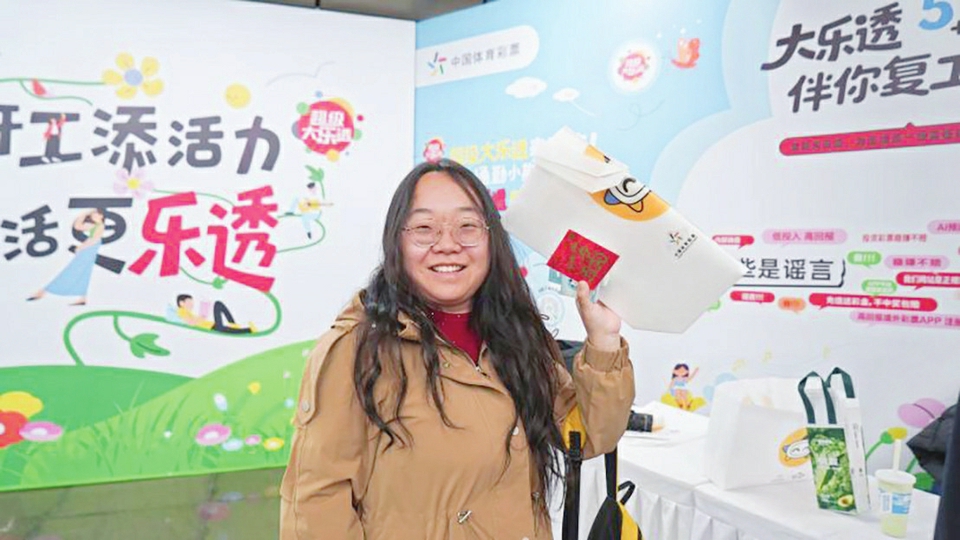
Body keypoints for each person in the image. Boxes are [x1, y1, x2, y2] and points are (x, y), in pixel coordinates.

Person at [279, 159, 635, 539]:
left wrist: (604, 340)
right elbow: (316, 503)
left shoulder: (518, 336)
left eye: (467, 227)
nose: (447, 245)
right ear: (396, 242)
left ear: (491, 239)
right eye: (424, 229)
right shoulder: (357, 351)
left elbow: (590, 436)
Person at [27, 208, 105, 306]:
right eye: (92, 214)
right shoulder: (94, 225)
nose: (92, 216)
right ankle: (82, 297)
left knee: (73, 270)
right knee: (82, 271)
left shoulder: (100, 226)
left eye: (95, 214)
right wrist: (84, 214)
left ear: (101, 215)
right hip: (89, 247)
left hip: (90, 248)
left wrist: (81, 247)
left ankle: (44, 291)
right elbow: (77, 226)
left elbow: (94, 240)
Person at [175, 294, 256, 334]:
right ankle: (248, 329)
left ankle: (244, 328)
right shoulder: (181, 311)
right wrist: (203, 315)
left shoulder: (186, 312)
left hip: (213, 326)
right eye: (189, 302)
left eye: (192, 302)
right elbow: (191, 323)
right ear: (181, 303)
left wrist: (203, 315)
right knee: (218, 304)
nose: (192, 305)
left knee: (230, 329)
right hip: (212, 328)